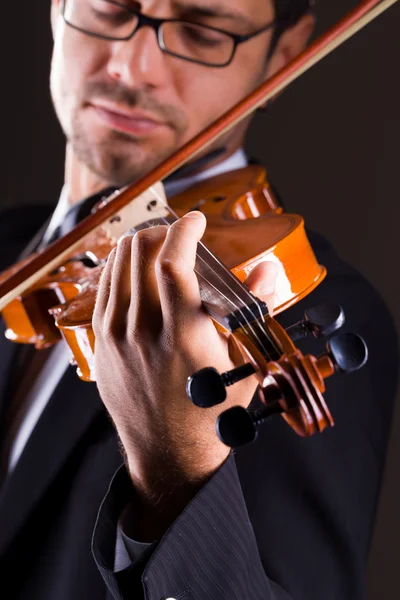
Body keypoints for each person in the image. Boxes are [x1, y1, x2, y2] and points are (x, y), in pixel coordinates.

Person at [0, 1, 398, 599]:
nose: (131, 68)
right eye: (109, 9)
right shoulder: (14, 249)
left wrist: (177, 477)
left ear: (283, 58)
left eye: (202, 31)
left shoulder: (307, 304)